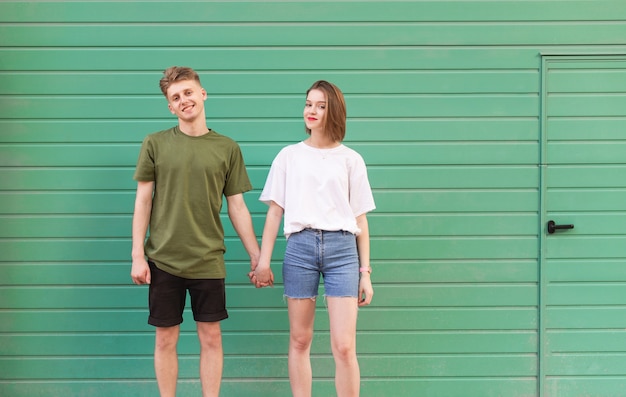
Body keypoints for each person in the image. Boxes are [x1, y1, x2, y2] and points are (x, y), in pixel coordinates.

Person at [130, 66, 260, 397]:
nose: (184, 100)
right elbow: (143, 201)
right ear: (170, 107)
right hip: (163, 259)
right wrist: (137, 256)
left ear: (202, 94)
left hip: (207, 259)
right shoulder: (155, 144)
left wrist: (257, 257)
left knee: (211, 337)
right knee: (165, 338)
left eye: (188, 92)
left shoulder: (227, 148)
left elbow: (238, 207)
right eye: (175, 97)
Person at [252, 80, 375, 397]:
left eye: (321, 105)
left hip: (343, 251)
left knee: (345, 346)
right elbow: (275, 213)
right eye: (309, 103)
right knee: (300, 339)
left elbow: (360, 219)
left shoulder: (351, 159)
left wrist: (365, 274)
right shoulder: (289, 156)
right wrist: (263, 262)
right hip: (300, 250)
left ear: (333, 111)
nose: (312, 111)